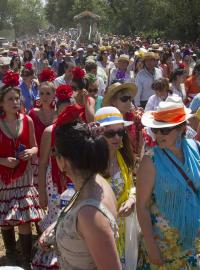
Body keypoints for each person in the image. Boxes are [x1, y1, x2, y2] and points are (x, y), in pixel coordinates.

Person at [136, 98, 200, 269]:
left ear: (182, 128)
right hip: (165, 245)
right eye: (155, 129)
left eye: (165, 130)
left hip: (196, 238)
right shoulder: (150, 160)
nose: (158, 135)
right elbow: (142, 206)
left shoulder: (196, 148)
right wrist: (152, 248)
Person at [38, 120, 122, 270]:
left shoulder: (90, 214)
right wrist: (56, 228)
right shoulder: (95, 182)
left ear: (63, 161)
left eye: (54, 152)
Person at [0, 71, 42, 268]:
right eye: (10, 99)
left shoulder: (28, 120)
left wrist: (30, 153)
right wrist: (2, 160)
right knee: (5, 219)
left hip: (24, 177)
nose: (15, 102)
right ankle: (10, 254)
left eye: (17, 98)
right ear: (1, 103)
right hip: (4, 178)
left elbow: (35, 147)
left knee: (24, 219)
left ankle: (26, 259)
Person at [32, 86, 75, 269]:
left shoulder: (77, 129)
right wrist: (41, 192)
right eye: (62, 111)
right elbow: (42, 164)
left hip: (74, 179)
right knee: (56, 215)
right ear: (57, 109)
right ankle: (53, 260)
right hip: (54, 182)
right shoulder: (50, 131)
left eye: (69, 110)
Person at [95, 107, 138, 270]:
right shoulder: (91, 163)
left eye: (120, 132)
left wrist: (132, 200)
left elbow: (133, 186)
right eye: (110, 133)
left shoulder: (124, 155)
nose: (117, 137)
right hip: (103, 230)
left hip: (125, 227)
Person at [103, 82, 144, 159]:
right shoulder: (107, 122)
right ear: (113, 101)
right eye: (124, 99)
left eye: (130, 98)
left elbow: (142, 142)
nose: (129, 102)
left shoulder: (136, 118)